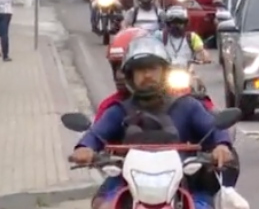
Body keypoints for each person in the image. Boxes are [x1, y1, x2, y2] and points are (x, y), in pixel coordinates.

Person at [71, 36, 233, 209]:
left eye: (152, 69)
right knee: (103, 206)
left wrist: (221, 146)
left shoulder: (188, 105)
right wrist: (84, 148)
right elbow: (96, 134)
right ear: (130, 76)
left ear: (164, 72)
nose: (147, 75)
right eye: (140, 70)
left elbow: (214, 128)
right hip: (126, 183)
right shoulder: (119, 110)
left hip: (185, 181)